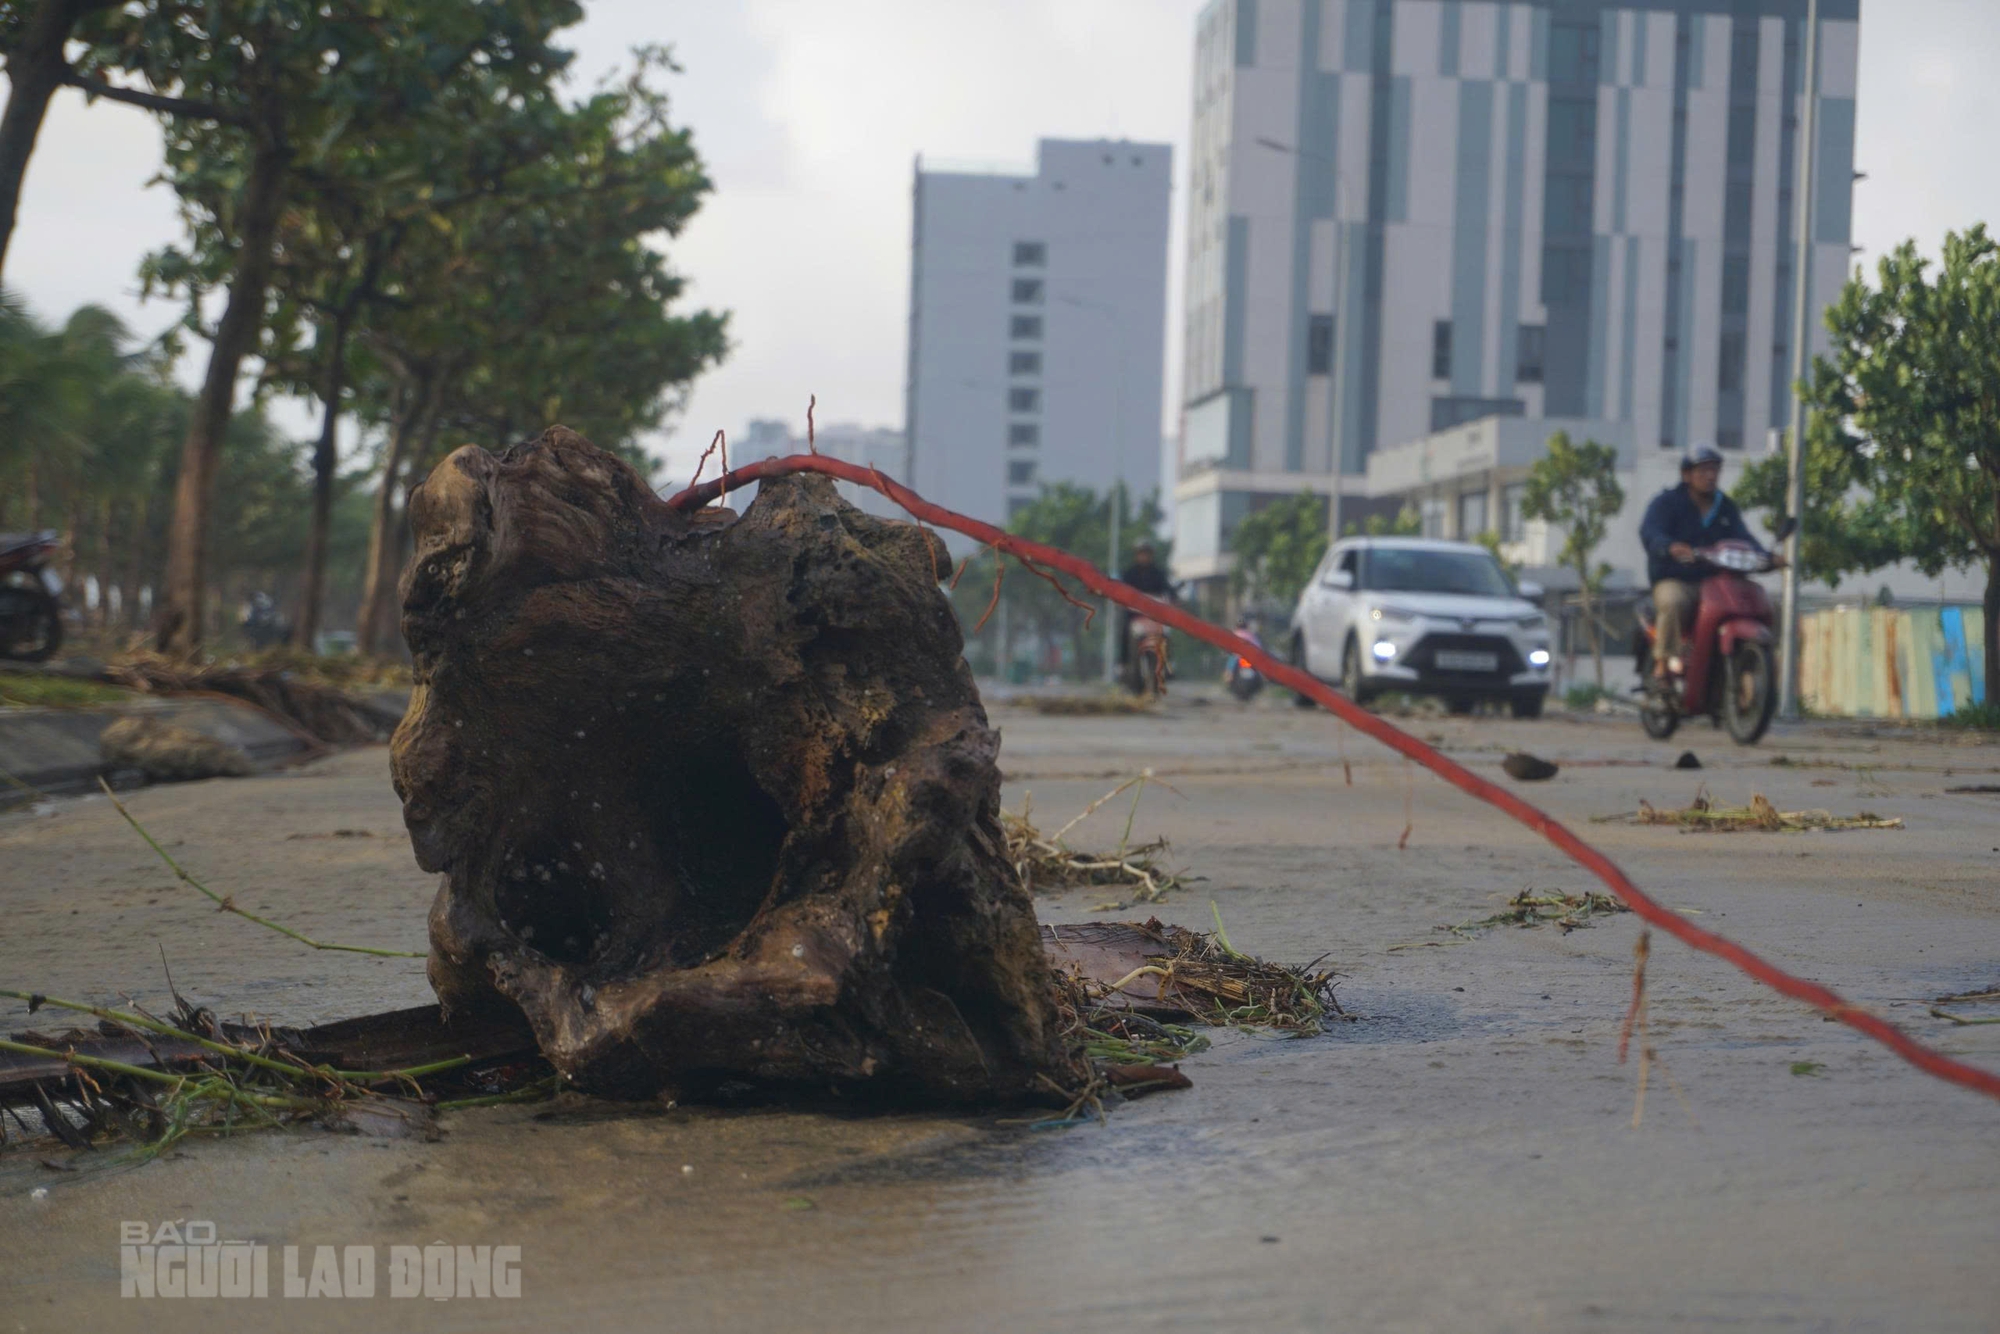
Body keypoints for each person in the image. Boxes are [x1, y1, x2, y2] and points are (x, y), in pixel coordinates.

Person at [1637, 443, 1779, 677]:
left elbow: (1744, 538)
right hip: (1677, 579)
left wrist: (1768, 557)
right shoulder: (1666, 502)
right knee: (1673, 602)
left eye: (1714, 470)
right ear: (1687, 475)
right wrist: (1669, 546)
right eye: (1703, 470)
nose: (1710, 476)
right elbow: (1651, 531)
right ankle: (1663, 662)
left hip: (1718, 582)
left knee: (1761, 603)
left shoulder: (1726, 507)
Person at [1116, 540, 1174, 664]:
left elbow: (1169, 591)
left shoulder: (1158, 574)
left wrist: (1173, 599)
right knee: (1125, 631)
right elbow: (1121, 591)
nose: (1144, 556)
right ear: (1136, 555)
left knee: (1167, 633)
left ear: (1151, 555)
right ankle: (1123, 664)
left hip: (1155, 618)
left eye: (1147, 553)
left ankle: (1167, 664)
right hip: (1135, 616)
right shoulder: (1129, 574)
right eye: (1141, 553)